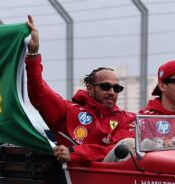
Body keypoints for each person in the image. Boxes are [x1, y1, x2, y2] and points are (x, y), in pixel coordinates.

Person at [25, 15, 135, 165]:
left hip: (113, 179)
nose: (112, 92)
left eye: (117, 88)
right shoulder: (69, 111)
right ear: (90, 88)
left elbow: (116, 150)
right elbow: (39, 93)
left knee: (129, 145)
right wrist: (33, 53)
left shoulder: (126, 119)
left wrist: (75, 153)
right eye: (105, 86)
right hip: (78, 181)